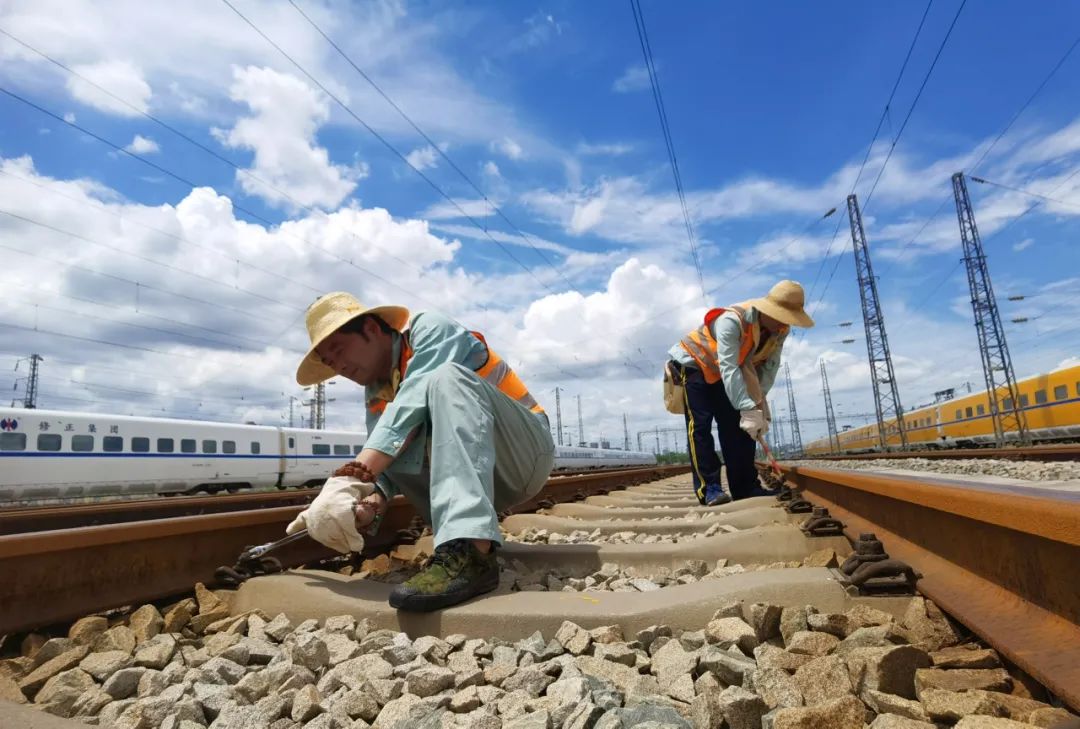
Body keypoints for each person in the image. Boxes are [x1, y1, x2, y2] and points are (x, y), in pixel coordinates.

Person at [287, 292, 555, 612]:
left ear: (371, 329)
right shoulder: (376, 391)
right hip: (484, 477)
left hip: (525, 455)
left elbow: (409, 407)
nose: (339, 366)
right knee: (391, 433)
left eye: (338, 350)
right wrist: (370, 502)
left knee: (445, 380)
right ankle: (459, 538)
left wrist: (349, 477)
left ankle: (472, 553)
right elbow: (388, 453)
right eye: (330, 362)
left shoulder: (429, 329)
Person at [666, 280, 814, 503]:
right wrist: (745, 405)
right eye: (782, 316)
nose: (784, 324)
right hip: (694, 365)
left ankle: (745, 488)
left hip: (725, 373)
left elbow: (770, 367)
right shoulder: (731, 321)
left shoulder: (779, 331)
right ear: (767, 310)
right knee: (700, 426)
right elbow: (729, 366)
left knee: (738, 428)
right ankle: (709, 489)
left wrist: (755, 406)